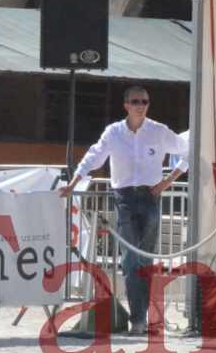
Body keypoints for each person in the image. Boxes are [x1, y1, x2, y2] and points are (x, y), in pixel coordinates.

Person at [60, 85, 189, 336]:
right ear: (126, 105)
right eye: (136, 101)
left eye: (145, 101)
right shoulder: (114, 132)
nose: (141, 105)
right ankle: (138, 319)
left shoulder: (159, 131)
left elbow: (188, 150)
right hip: (124, 198)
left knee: (145, 258)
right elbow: (94, 156)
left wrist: (168, 180)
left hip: (151, 196)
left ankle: (143, 317)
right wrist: (74, 183)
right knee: (131, 260)